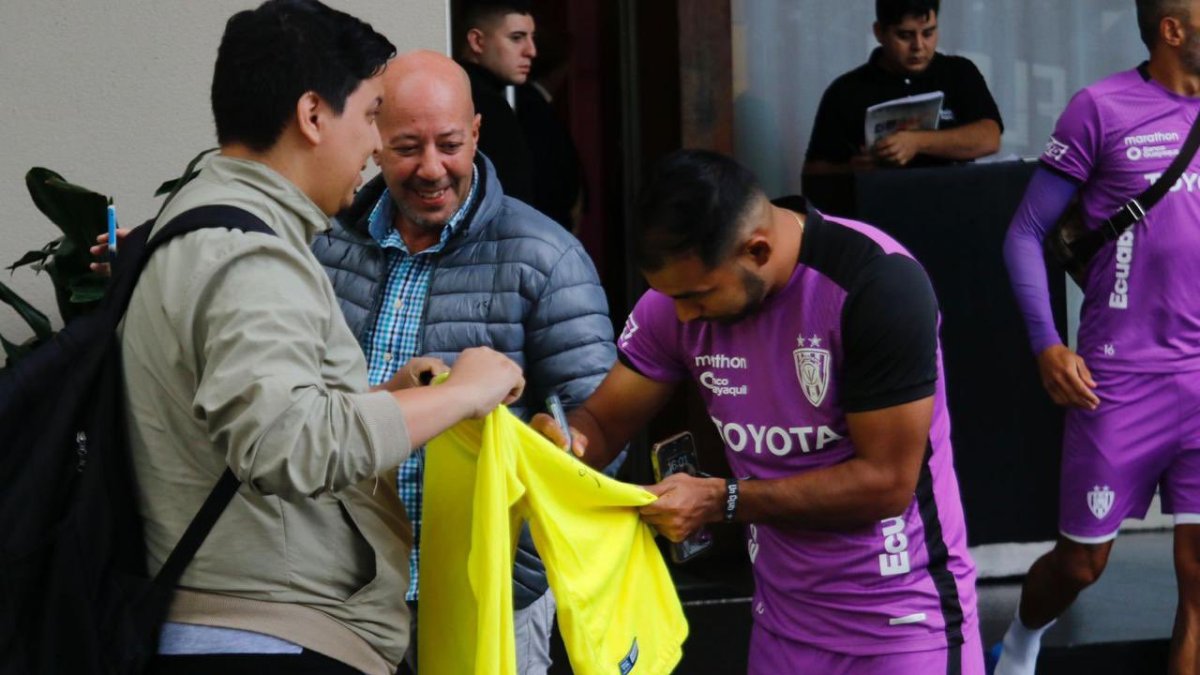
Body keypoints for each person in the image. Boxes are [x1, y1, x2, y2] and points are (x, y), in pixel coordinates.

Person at [118, 4, 524, 674]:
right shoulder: (249, 254)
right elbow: (288, 442)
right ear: (312, 115)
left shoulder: (201, 223)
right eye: (370, 115)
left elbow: (250, 415)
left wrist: (379, 398)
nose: (374, 144)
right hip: (267, 637)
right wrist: (468, 393)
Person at [534, 149, 982, 674]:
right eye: (669, 296)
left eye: (697, 296)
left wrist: (721, 500)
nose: (682, 314)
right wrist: (568, 442)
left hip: (904, 627)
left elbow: (885, 483)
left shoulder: (877, 284)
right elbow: (605, 423)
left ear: (758, 249)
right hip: (781, 628)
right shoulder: (676, 303)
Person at [310, 50, 615, 674]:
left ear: (477, 131)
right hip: (346, 591)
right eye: (405, 147)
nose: (431, 168)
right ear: (372, 141)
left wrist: (563, 443)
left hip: (492, 590)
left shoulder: (546, 255)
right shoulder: (324, 243)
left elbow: (602, 426)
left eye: (450, 144)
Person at [996, 2, 1200, 673]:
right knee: (1083, 563)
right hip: (1119, 380)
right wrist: (1047, 343)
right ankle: (1022, 641)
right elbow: (1024, 233)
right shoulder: (1100, 108)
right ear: (1173, 29)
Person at [802, 0, 1002, 178]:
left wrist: (917, 142)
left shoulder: (959, 72)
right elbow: (813, 173)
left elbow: (990, 138)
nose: (919, 46)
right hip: (878, 212)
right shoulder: (846, 90)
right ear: (879, 32)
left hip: (957, 206)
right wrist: (851, 169)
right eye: (905, 35)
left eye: (928, 33)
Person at [457, 0, 584, 231]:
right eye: (516, 38)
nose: (531, 51)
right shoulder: (486, 105)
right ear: (477, 41)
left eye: (532, 37)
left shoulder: (468, 94)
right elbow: (513, 202)